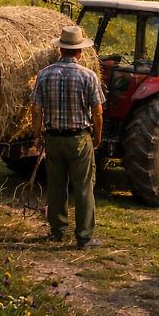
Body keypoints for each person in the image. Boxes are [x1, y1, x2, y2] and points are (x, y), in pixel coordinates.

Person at [30, 25, 105, 249]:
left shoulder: (44, 74)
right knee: (83, 187)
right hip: (79, 139)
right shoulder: (88, 76)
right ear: (79, 52)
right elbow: (97, 111)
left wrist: (36, 136)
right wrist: (97, 136)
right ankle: (84, 236)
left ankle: (57, 231)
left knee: (56, 185)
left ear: (60, 50)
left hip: (53, 137)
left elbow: (35, 109)